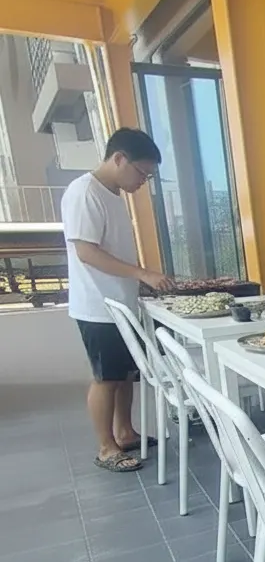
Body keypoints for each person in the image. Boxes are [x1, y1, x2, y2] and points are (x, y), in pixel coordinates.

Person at [64, 127, 173, 472]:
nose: (143, 181)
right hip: (98, 306)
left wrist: (136, 283)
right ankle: (106, 448)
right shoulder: (84, 192)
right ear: (119, 158)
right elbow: (86, 252)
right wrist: (142, 274)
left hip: (120, 303)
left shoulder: (112, 194)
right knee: (106, 379)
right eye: (142, 173)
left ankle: (125, 433)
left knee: (126, 374)